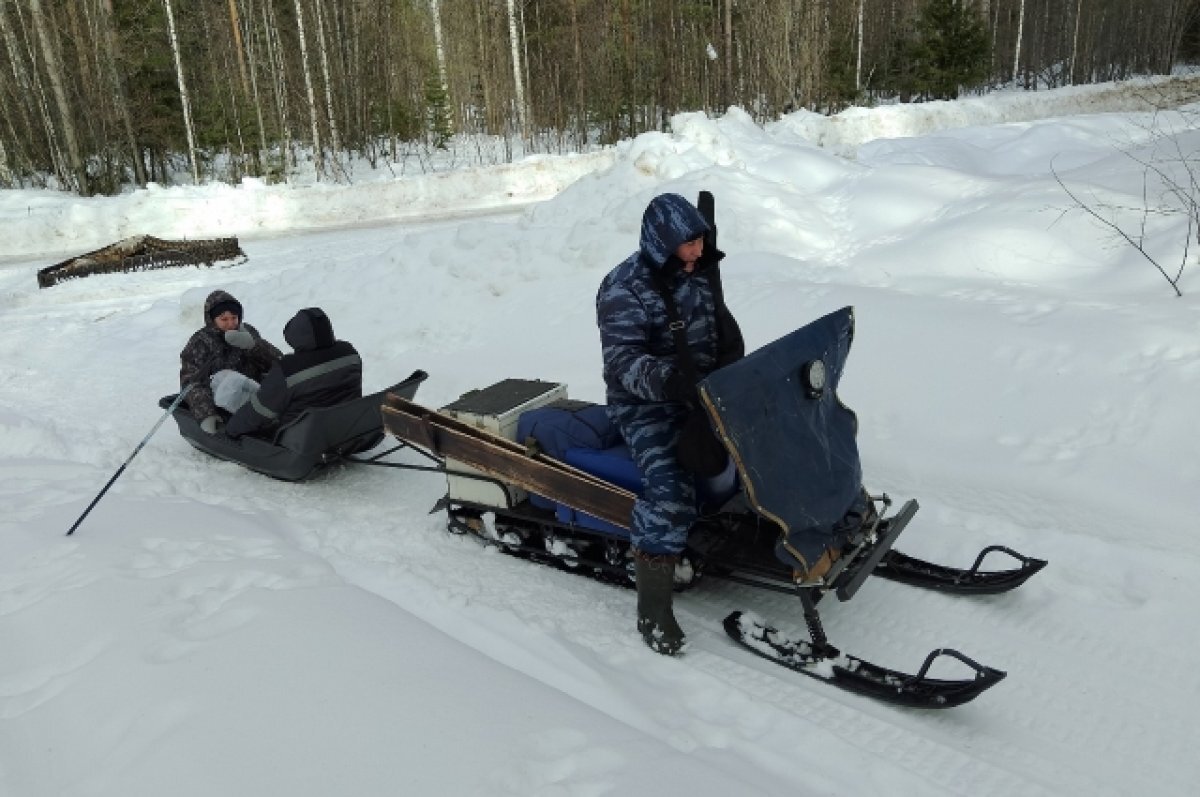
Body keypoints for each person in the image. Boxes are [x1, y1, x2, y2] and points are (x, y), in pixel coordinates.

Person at [596, 192, 743, 656]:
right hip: (646, 405)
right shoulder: (624, 287)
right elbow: (623, 362)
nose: (698, 251)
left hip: (704, 390)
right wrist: (673, 382)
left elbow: (716, 325)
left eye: (701, 240)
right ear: (661, 243)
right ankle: (653, 610)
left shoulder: (698, 272)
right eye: (688, 243)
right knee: (670, 494)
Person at [225, 307, 362, 439]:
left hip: (303, 438)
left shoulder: (288, 369)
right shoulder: (349, 353)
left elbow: (260, 410)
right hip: (346, 426)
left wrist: (232, 429)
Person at [179, 290, 282, 434]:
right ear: (212, 319)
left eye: (234, 317)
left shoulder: (247, 332)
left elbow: (278, 365)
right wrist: (206, 414)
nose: (231, 324)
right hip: (222, 405)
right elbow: (192, 382)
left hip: (254, 397)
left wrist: (254, 346)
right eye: (224, 319)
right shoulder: (200, 342)